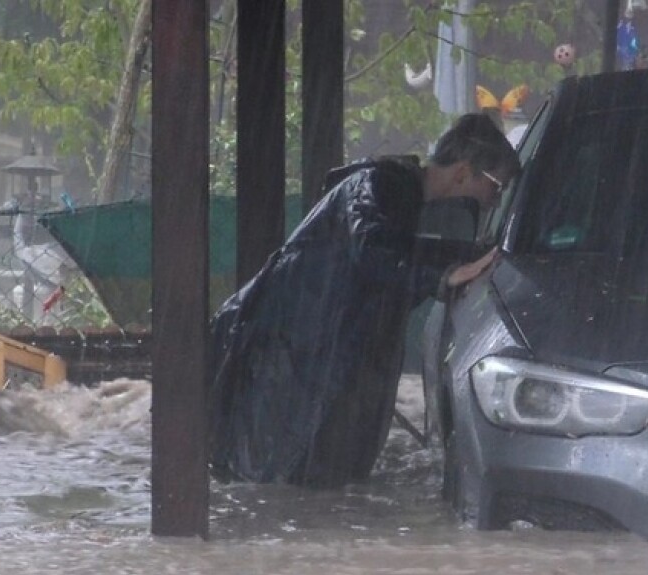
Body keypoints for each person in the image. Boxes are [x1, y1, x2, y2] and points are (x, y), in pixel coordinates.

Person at [208, 113, 520, 488]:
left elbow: (394, 252)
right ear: (463, 173)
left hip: (291, 346)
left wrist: (460, 258)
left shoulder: (395, 192)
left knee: (279, 482)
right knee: (270, 477)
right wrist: (443, 277)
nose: (494, 201)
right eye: (496, 188)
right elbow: (373, 254)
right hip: (282, 352)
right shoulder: (381, 185)